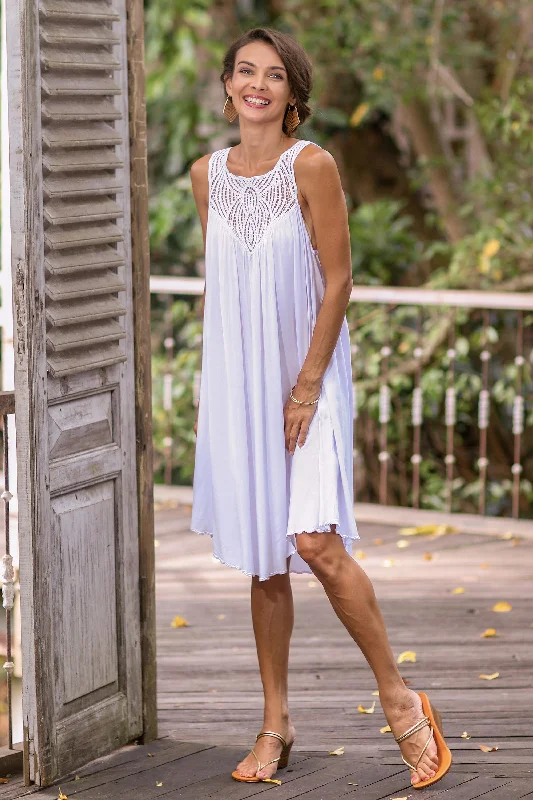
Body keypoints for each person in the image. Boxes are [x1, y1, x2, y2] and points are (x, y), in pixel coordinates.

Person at [189, 26, 452, 790]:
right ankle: (274, 725)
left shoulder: (314, 165)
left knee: (313, 542)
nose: (257, 85)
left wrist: (305, 386)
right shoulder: (207, 176)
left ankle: (400, 700)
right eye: (245, 71)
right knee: (264, 559)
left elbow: (337, 281)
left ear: (292, 94)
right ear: (229, 84)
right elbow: (224, 285)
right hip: (243, 381)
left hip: (309, 377)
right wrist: (229, 390)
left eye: (273, 75)